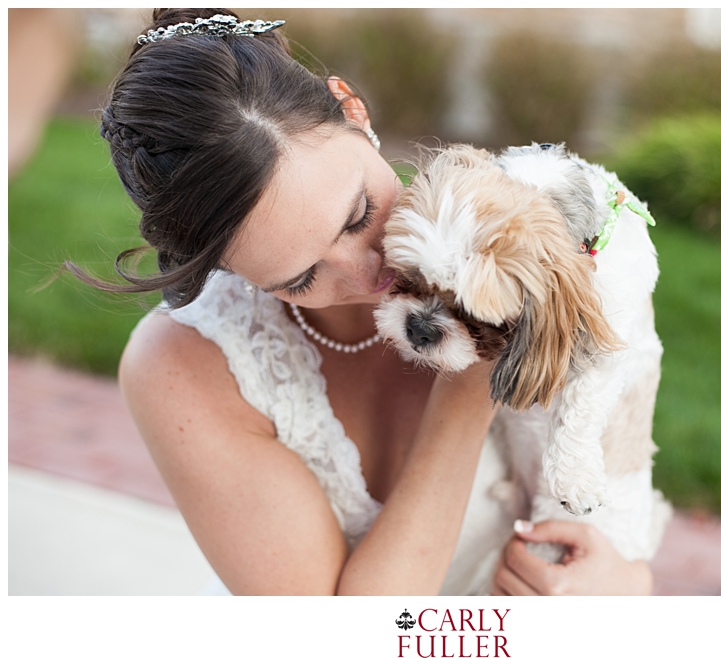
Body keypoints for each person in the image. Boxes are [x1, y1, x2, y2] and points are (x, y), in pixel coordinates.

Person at [71, 8, 655, 595]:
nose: (366, 273)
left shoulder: (508, 238)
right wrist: (471, 384)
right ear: (229, 270)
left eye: (359, 215)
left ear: (354, 110)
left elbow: (619, 463)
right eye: (300, 277)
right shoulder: (179, 370)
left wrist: (630, 585)